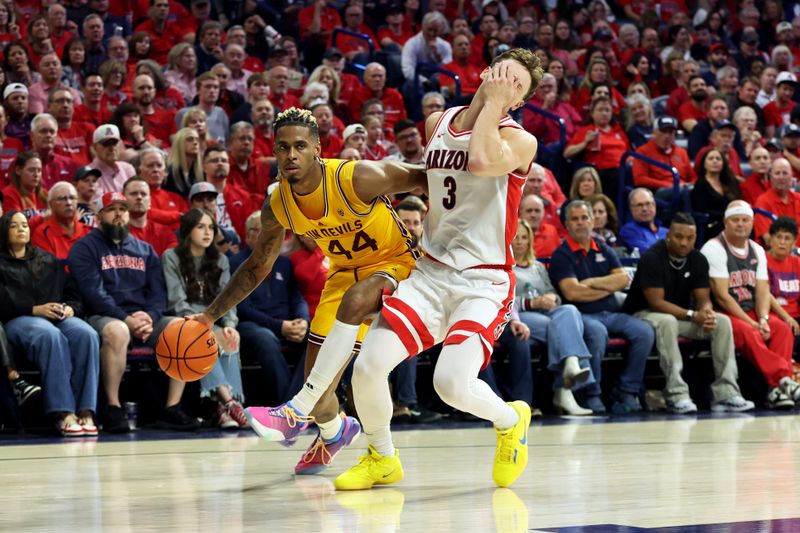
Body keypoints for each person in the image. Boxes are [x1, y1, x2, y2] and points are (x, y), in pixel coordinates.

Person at [335, 48, 543, 491]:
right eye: (504, 74)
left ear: (519, 101)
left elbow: (483, 162)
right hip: (430, 272)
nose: (507, 84)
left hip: (483, 281)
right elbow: (428, 180)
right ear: (486, 72)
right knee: (368, 367)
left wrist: (493, 103)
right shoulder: (436, 124)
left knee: (450, 383)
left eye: (517, 86)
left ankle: (510, 420)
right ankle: (381, 457)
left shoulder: (519, 140)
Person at [190, 107, 424, 476]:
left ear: (318, 148)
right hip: (344, 275)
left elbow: (424, 179)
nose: (291, 155)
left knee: (350, 328)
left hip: (398, 265)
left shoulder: (356, 177)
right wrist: (209, 315)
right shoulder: (278, 204)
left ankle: (293, 411)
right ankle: (334, 431)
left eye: (300, 146)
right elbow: (255, 267)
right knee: (320, 394)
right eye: (283, 148)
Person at [67, 192, 199, 433]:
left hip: (144, 318)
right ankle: (113, 406)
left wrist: (151, 316)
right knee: (117, 332)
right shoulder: (84, 248)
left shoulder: (145, 250)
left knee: (184, 329)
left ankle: (172, 407)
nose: (119, 214)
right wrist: (126, 319)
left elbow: (158, 293)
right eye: (111, 209)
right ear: (99, 217)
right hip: (103, 316)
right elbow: (94, 294)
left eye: (123, 209)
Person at [623, 212, 755, 414]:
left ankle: (727, 393)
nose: (684, 242)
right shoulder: (652, 257)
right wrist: (693, 315)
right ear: (668, 236)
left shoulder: (698, 260)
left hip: (680, 316)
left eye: (690, 238)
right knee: (667, 322)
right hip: (643, 315)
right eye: (678, 237)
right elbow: (656, 302)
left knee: (722, 322)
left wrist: (707, 313)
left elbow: (703, 299)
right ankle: (677, 395)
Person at [0, 210, 100, 436]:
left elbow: (72, 291)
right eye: (14, 225)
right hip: (16, 321)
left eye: (24, 225)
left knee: (86, 334)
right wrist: (35, 309)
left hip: (55, 316)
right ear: (3, 230)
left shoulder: (47, 260)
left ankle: (86, 410)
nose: (21, 229)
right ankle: (62, 412)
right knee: (49, 335)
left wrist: (70, 308)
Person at [550, 200, 654, 414]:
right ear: (567, 224)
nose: (580, 223)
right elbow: (572, 293)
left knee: (644, 331)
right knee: (597, 333)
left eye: (584, 217)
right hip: (582, 316)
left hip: (611, 312)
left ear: (592, 220)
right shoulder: (562, 255)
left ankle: (627, 389)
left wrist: (590, 283)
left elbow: (623, 280)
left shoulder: (604, 249)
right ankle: (591, 393)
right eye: (575, 219)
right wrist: (607, 286)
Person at [701, 200, 800, 409]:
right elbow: (721, 296)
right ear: (725, 223)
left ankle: (775, 391)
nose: (740, 224)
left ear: (752, 223)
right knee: (750, 332)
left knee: (782, 329)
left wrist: (763, 319)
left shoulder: (756, 249)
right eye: (735, 220)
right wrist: (752, 322)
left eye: (745, 220)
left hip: (751, 310)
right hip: (723, 312)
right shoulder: (713, 248)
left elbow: (763, 289)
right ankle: (784, 379)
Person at [162, 208, 247, 429]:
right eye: (200, 227)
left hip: (212, 320)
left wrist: (229, 325)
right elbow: (176, 301)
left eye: (211, 227)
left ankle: (223, 411)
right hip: (183, 318)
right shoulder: (171, 257)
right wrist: (200, 322)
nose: (207, 232)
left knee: (229, 338)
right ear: (188, 231)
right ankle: (229, 401)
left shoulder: (221, 260)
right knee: (202, 335)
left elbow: (228, 299)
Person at [512, 219, 594, 415]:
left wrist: (552, 298)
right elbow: (506, 300)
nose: (520, 242)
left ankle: (572, 365)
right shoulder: (504, 267)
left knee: (570, 311)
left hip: (546, 314)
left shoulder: (538, 267)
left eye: (524, 237)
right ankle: (564, 390)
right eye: (516, 237)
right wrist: (533, 303)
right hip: (521, 317)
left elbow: (553, 293)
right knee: (558, 327)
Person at [231, 211, 309, 408]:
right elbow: (242, 308)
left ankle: (296, 403)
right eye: (264, 231)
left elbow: (296, 298)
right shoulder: (235, 263)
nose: (272, 235)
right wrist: (279, 326)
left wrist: (302, 320)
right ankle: (289, 405)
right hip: (251, 326)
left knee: (320, 338)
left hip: (286, 325)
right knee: (265, 337)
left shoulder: (284, 263)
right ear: (249, 235)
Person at [690, 148, 742, 242]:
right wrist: (727, 216)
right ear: (704, 164)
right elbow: (701, 210)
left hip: (733, 221)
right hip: (712, 225)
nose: (715, 161)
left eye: (718, 159)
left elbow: (738, 202)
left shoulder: (730, 182)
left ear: (723, 163)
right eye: (711, 158)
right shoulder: (700, 184)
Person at [31, 181, 91, 260]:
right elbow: (48, 269)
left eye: (72, 198)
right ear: (50, 204)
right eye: (62, 198)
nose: (69, 203)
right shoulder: (42, 234)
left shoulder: (89, 231)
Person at [766, 217, 800, 352]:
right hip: (773, 316)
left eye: (787, 238)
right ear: (770, 239)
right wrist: (787, 318)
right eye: (778, 237)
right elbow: (765, 294)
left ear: (794, 242)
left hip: (795, 316)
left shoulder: (797, 263)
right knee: (786, 330)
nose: (782, 242)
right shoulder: (762, 259)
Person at [754, 158, 800, 247]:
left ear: (791, 176)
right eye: (777, 173)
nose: (781, 177)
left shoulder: (798, 198)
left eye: (785, 173)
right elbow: (769, 240)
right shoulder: (762, 202)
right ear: (771, 177)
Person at [619, 188, 668, 253]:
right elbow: (649, 253)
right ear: (631, 209)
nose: (644, 209)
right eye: (639, 205)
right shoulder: (629, 231)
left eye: (648, 204)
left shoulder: (667, 232)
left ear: (654, 205)